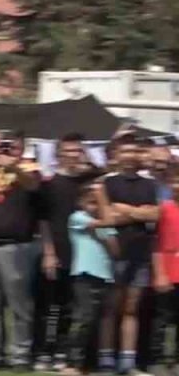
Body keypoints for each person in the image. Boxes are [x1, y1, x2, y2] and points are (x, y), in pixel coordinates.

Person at [0, 131, 42, 370]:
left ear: (21, 149)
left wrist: (14, 166)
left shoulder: (30, 168)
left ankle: (20, 355)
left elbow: (33, 185)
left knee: (19, 305)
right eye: (3, 147)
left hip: (16, 246)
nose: (6, 152)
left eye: (12, 147)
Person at [98, 135, 159, 376]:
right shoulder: (108, 183)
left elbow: (154, 216)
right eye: (125, 151)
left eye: (134, 151)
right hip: (115, 252)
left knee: (131, 307)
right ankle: (105, 360)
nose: (130, 155)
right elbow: (108, 217)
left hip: (140, 251)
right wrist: (137, 213)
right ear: (117, 154)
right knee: (111, 307)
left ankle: (127, 361)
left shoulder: (149, 185)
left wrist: (125, 210)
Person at [37, 134, 97, 372]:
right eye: (68, 151)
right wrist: (49, 253)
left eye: (77, 150)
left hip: (84, 254)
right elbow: (43, 221)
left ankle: (64, 350)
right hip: (58, 251)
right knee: (52, 307)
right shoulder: (50, 184)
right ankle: (45, 350)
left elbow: (106, 169)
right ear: (58, 154)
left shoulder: (89, 181)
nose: (72, 155)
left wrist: (88, 164)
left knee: (75, 308)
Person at [64, 186, 118, 376]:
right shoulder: (78, 217)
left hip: (104, 275)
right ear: (81, 203)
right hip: (85, 274)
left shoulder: (101, 222)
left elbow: (114, 249)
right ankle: (72, 362)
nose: (95, 206)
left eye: (97, 203)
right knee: (83, 317)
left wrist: (105, 227)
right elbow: (108, 223)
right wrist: (103, 200)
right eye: (91, 202)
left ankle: (88, 363)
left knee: (97, 320)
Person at [152, 171, 179, 375]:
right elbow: (156, 244)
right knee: (163, 316)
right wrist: (160, 272)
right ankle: (159, 357)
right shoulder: (164, 210)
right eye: (175, 181)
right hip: (167, 269)